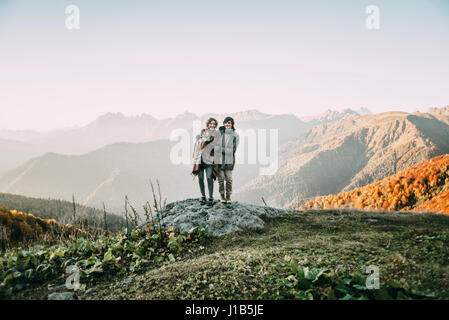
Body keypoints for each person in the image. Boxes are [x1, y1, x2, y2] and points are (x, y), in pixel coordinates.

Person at [192, 118, 219, 205]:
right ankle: (203, 196)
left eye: (214, 124)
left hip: (210, 160)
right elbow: (199, 143)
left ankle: (210, 197)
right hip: (200, 159)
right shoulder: (203, 132)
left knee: (209, 178)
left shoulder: (217, 134)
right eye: (211, 124)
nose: (212, 125)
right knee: (200, 178)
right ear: (208, 124)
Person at [217, 117, 239, 203]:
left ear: (232, 124)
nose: (227, 124)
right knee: (221, 180)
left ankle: (228, 196)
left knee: (229, 179)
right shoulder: (219, 134)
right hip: (219, 160)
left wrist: (220, 149)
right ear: (224, 123)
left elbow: (232, 150)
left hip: (229, 160)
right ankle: (222, 196)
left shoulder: (235, 135)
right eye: (226, 123)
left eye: (229, 123)